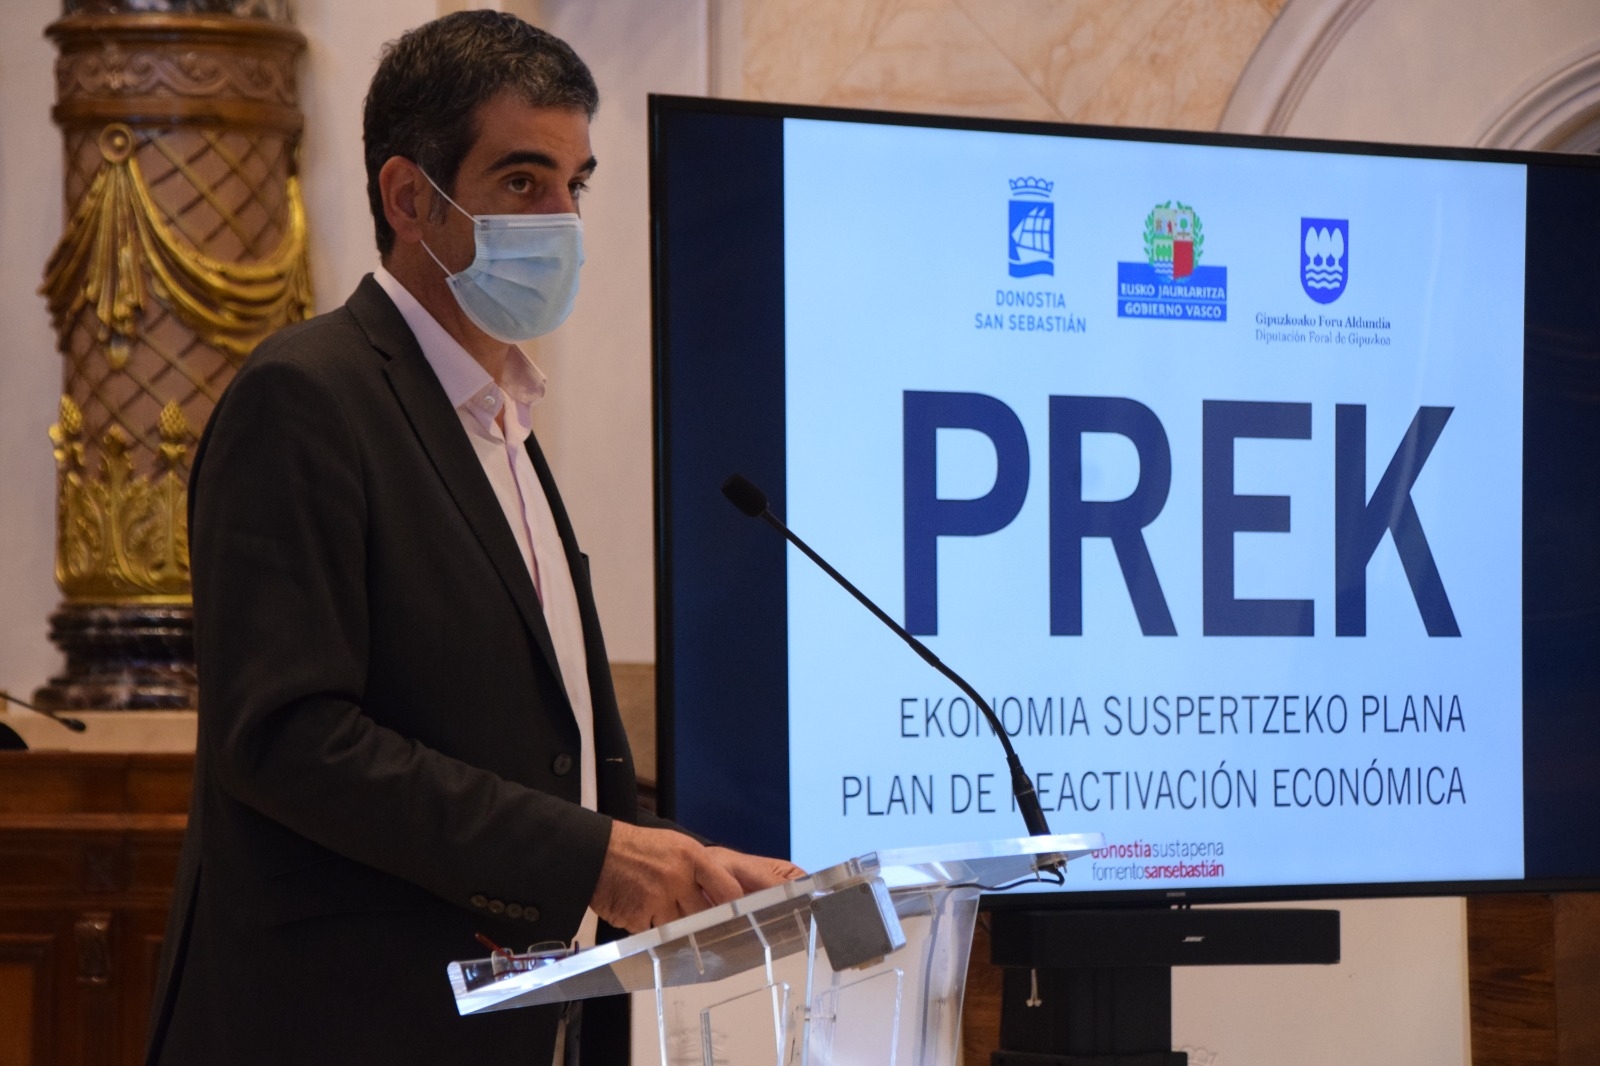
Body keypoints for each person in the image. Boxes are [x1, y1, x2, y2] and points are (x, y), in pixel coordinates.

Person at [145, 12, 801, 1065]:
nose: (562, 219)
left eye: (575, 184)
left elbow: (533, 742)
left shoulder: (502, 423)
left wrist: (680, 860)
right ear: (409, 198)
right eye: (521, 181)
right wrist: (593, 858)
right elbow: (287, 739)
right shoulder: (306, 396)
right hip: (342, 1027)